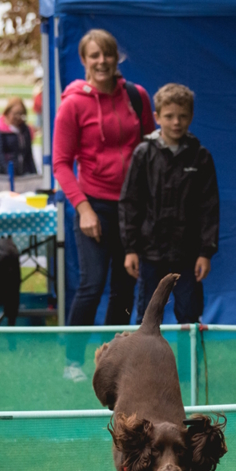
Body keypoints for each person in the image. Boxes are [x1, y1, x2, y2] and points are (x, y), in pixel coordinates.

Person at [53, 28, 154, 379]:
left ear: (116, 58)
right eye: (93, 55)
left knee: (124, 286)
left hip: (132, 210)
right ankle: (73, 361)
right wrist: (83, 209)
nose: (101, 61)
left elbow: (149, 149)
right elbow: (61, 163)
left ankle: (111, 362)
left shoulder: (137, 97)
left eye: (107, 54)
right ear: (83, 61)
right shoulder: (72, 104)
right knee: (92, 284)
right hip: (93, 206)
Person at [120, 83, 218, 324]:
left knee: (189, 316)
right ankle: (146, 364)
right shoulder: (143, 154)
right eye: (169, 116)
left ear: (191, 118)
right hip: (150, 253)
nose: (176, 122)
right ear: (156, 117)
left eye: (183, 116)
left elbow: (209, 208)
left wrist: (205, 252)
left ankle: (189, 363)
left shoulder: (201, 157)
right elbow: (130, 202)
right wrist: (131, 248)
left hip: (188, 255)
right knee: (148, 318)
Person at [0, 97, 38, 176]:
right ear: (7, 112)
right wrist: (9, 173)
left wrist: (34, 174)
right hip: (3, 174)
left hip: (22, 173)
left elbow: (28, 155)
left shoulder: (24, 130)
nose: (18, 117)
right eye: (15, 113)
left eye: (21, 114)